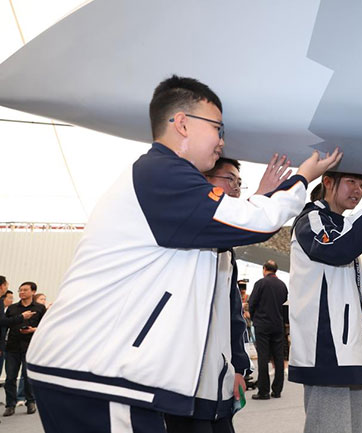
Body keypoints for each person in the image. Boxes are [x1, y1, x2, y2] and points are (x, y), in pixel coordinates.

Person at [25, 75, 341, 433]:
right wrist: (302, 178)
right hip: (98, 374)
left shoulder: (161, 179)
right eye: (217, 128)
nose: (222, 140)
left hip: (95, 372)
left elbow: (234, 222)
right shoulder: (162, 174)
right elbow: (254, 222)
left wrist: (264, 196)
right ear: (182, 123)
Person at [289, 169, 362, 433]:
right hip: (326, 348)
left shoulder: (343, 224)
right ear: (328, 182)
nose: (358, 189)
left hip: (348, 346)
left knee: (350, 427)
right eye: (351, 182)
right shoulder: (311, 218)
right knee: (330, 427)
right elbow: (336, 249)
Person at [3, 282, 46, 417]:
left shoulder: (40, 308)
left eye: (25, 290)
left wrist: (33, 330)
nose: (21, 292)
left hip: (31, 347)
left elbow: (45, 326)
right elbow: (5, 325)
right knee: (10, 378)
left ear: (33, 292)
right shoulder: (12, 308)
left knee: (28, 377)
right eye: (20, 290)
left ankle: (30, 402)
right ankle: (10, 405)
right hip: (12, 346)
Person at [248, 260, 288, 400]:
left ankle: (263, 391)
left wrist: (254, 318)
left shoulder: (260, 283)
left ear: (264, 269)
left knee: (263, 357)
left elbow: (252, 303)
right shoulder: (282, 285)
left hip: (262, 325)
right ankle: (277, 390)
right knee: (278, 357)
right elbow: (284, 304)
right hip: (278, 325)